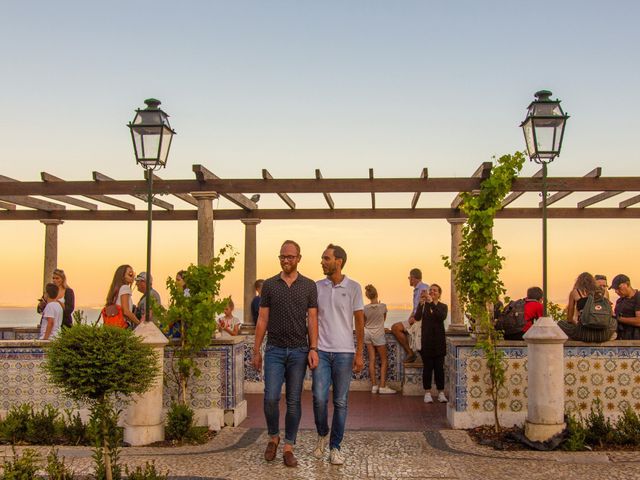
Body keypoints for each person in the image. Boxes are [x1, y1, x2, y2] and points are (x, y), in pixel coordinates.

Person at [251, 240, 319, 468]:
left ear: (299, 258)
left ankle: (288, 446)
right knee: (270, 397)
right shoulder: (270, 285)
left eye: (290, 256)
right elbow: (262, 319)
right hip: (274, 350)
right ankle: (273, 436)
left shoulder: (309, 285)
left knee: (293, 401)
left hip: (300, 351)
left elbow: (312, 319)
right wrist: (256, 350)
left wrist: (313, 348)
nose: (286, 260)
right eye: (283, 256)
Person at [313, 244, 365, 465]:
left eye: (326, 258)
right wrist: (312, 348)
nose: (322, 262)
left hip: (345, 352)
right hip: (322, 352)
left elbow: (360, 322)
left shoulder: (353, 287)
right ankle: (323, 433)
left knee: (341, 402)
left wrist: (359, 353)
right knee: (318, 398)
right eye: (323, 258)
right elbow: (312, 319)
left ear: (339, 261)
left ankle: (335, 447)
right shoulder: (316, 287)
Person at [558, 272, 616, 342]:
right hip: (603, 335)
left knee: (560, 323)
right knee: (614, 322)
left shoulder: (575, 292)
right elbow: (610, 314)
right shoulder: (604, 293)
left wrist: (577, 324)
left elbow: (569, 319)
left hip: (583, 334)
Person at [415, 284, 448, 403]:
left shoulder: (443, 306)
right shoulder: (425, 305)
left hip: (439, 342)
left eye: (435, 291)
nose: (432, 292)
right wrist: (420, 303)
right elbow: (417, 317)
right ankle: (427, 393)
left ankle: (441, 393)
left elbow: (441, 317)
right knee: (427, 369)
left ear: (439, 294)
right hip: (426, 342)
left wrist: (432, 303)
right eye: (431, 290)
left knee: (439, 369)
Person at [391, 268, 428, 363]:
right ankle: (411, 353)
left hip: (419, 320)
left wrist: (415, 319)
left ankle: (411, 353)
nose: (409, 280)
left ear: (413, 278)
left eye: (409, 278)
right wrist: (410, 317)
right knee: (395, 327)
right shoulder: (417, 290)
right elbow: (416, 307)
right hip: (415, 318)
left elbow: (425, 306)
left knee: (395, 328)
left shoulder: (423, 288)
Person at [363, 284, 395, 394]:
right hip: (378, 334)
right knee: (384, 360)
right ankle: (382, 386)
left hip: (367, 334)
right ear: (377, 294)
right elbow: (383, 320)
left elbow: (363, 323)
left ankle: (374, 386)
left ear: (367, 295)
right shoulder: (383, 306)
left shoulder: (364, 308)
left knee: (372, 359)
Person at [610, 274, 640, 340]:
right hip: (620, 339)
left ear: (627, 284)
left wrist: (618, 318)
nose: (616, 291)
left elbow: (639, 321)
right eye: (615, 289)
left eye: (618, 288)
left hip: (635, 342)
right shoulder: (619, 301)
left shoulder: (638, 297)